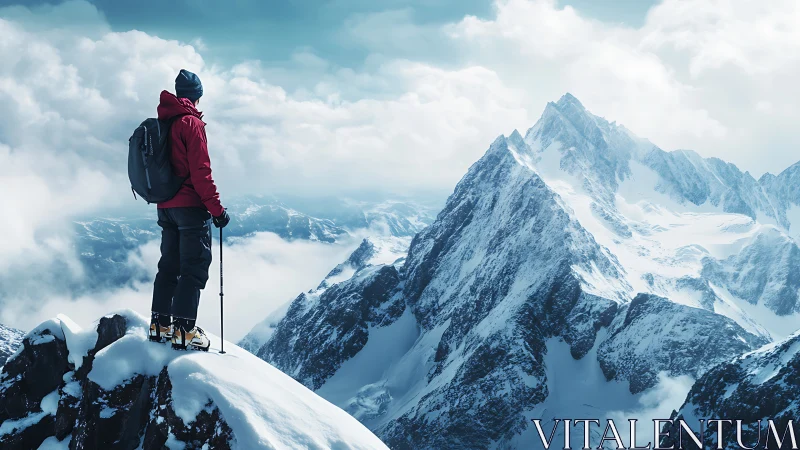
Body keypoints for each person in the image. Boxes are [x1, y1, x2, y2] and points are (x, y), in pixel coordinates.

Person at [148, 69, 231, 351]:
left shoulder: (164, 122)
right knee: (192, 269)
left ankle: (159, 326)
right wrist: (217, 210)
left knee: (168, 266)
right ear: (197, 96)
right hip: (189, 208)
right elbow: (201, 173)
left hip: (164, 206)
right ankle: (184, 331)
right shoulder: (190, 123)